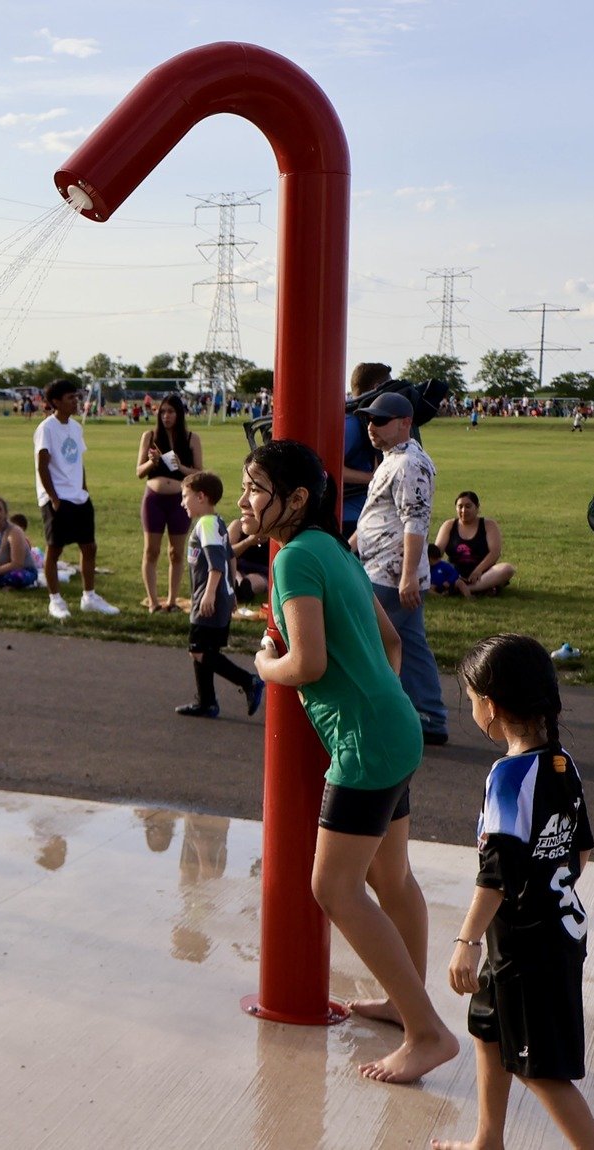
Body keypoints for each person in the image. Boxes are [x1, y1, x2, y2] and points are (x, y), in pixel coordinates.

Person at [242, 438, 456, 1084]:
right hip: (396, 727)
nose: (247, 500)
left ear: (296, 499)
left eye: (256, 487)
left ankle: (426, 1032)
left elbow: (303, 663)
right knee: (391, 881)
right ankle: (403, 1004)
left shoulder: (294, 561)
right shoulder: (334, 549)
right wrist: (374, 700)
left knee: (333, 887)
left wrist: (261, 662)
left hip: (368, 743)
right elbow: (389, 641)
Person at [429, 634, 594, 1150]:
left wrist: (466, 941)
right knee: (487, 1025)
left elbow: (496, 873)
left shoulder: (508, 776)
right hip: (552, 928)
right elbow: (581, 853)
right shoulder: (560, 762)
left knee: (541, 1069)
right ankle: (488, 1140)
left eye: (470, 700)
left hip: (528, 947)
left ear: (491, 705)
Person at [353, 389, 449, 744]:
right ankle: (430, 717)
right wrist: (349, 547)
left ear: (405, 423)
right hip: (384, 568)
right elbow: (378, 515)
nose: (371, 427)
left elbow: (415, 521)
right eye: (368, 420)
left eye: (380, 420)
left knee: (371, 645)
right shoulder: (394, 458)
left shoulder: (409, 464)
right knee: (410, 645)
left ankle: (378, 717)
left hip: (391, 574)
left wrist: (408, 575)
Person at [173, 472, 263, 718]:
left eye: (185, 497)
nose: (183, 502)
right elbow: (230, 557)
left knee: (199, 651)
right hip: (219, 596)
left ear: (201, 497)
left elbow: (215, 564)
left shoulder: (207, 524)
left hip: (208, 599)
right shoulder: (217, 522)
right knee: (205, 650)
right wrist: (231, 591)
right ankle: (206, 702)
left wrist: (210, 595)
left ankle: (249, 681)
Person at [34, 377, 120, 619]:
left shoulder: (76, 427)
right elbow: (42, 466)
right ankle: (56, 600)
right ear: (55, 402)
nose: (76, 401)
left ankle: (89, 597)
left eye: (76, 396)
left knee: (89, 546)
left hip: (78, 496)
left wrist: (84, 489)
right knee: (55, 549)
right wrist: (53, 497)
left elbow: (78, 462)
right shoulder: (46, 428)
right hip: (57, 497)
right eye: (70, 397)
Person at [135, 394, 203, 611]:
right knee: (151, 551)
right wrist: (151, 462)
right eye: (162, 412)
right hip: (154, 499)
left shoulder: (192, 438)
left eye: (171, 412)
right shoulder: (149, 436)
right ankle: (153, 602)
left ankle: (172, 601)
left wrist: (181, 467)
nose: (166, 416)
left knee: (176, 552)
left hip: (179, 501)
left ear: (179, 414)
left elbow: (200, 473)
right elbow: (138, 472)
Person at [342, 362, 391, 542]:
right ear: (377, 388)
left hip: (366, 515)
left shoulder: (357, 418)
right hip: (351, 518)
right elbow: (326, 467)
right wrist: (375, 477)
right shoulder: (352, 423)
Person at [434, 491, 516, 598]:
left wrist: (478, 571)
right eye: (460, 507)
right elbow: (436, 553)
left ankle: (466, 589)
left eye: (468, 506)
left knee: (507, 569)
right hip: (454, 574)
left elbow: (494, 553)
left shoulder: (489, 525)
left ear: (477, 508)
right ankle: (479, 589)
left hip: (482, 574)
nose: (463, 510)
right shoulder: (449, 525)